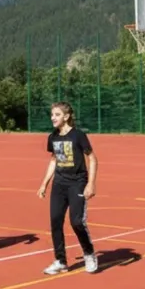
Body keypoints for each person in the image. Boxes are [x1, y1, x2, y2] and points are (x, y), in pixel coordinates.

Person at [37, 102, 99, 275]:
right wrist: (44, 183)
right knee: (55, 221)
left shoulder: (78, 136)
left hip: (77, 182)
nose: (52, 118)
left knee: (77, 222)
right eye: (52, 114)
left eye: (56, 114)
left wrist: (91, 183)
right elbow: (53, 160)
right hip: (59, 184)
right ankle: (60, 261)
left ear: (66, 117)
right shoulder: (53, 137)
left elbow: (93, 159)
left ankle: (89, 253)